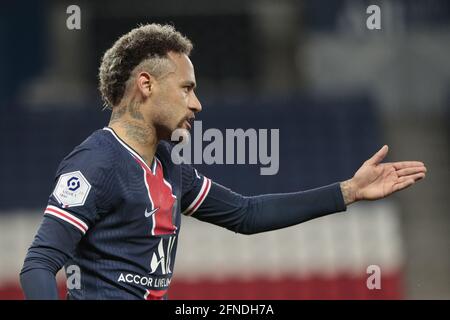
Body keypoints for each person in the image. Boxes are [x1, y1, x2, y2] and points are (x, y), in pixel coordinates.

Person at [20, 23, 427, 300]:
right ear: (146, 84)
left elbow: (246, 214)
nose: (197, 103)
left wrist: (349, 191)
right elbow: (38, 264)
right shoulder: (96, 164)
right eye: (186, 88)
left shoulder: (169, 167)